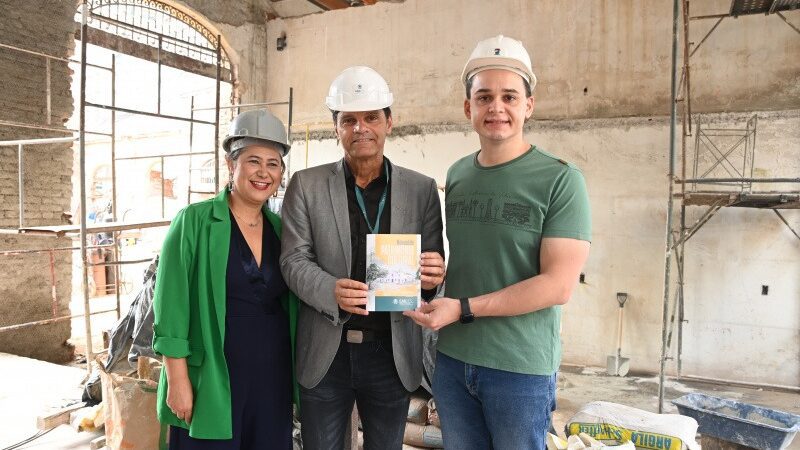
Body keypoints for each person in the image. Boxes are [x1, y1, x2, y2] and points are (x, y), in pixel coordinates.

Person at [405, 35, 592, 450]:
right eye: (484, 96)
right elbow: (477, 258)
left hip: (519, 368)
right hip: (453, 361)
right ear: (468, 107)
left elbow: (557, 286)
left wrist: (464, 308)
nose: (497, 108)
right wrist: (437, 273)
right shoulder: (457, 175)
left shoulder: (560, 180)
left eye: (509, 96)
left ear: (529, 105)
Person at [280, 66, 445, 450]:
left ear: (390, 121)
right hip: (326, 351)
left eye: (371, 117)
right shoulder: (306, 185)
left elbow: (430, 273)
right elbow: (293, 259)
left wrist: (433, 277)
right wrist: (329, 290)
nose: (361, 128)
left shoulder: (421, 190)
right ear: (336, 127)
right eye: (349, 120)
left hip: (392, 351)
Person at [152, 109, 299, 449]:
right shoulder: (195, 222)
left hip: (272, 378)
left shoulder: (282, 230)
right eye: (253, 161)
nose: (264, 172)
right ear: (230, 165)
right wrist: (177, 378)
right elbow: (170, 304)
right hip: (213, 378)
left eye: (273, 163)